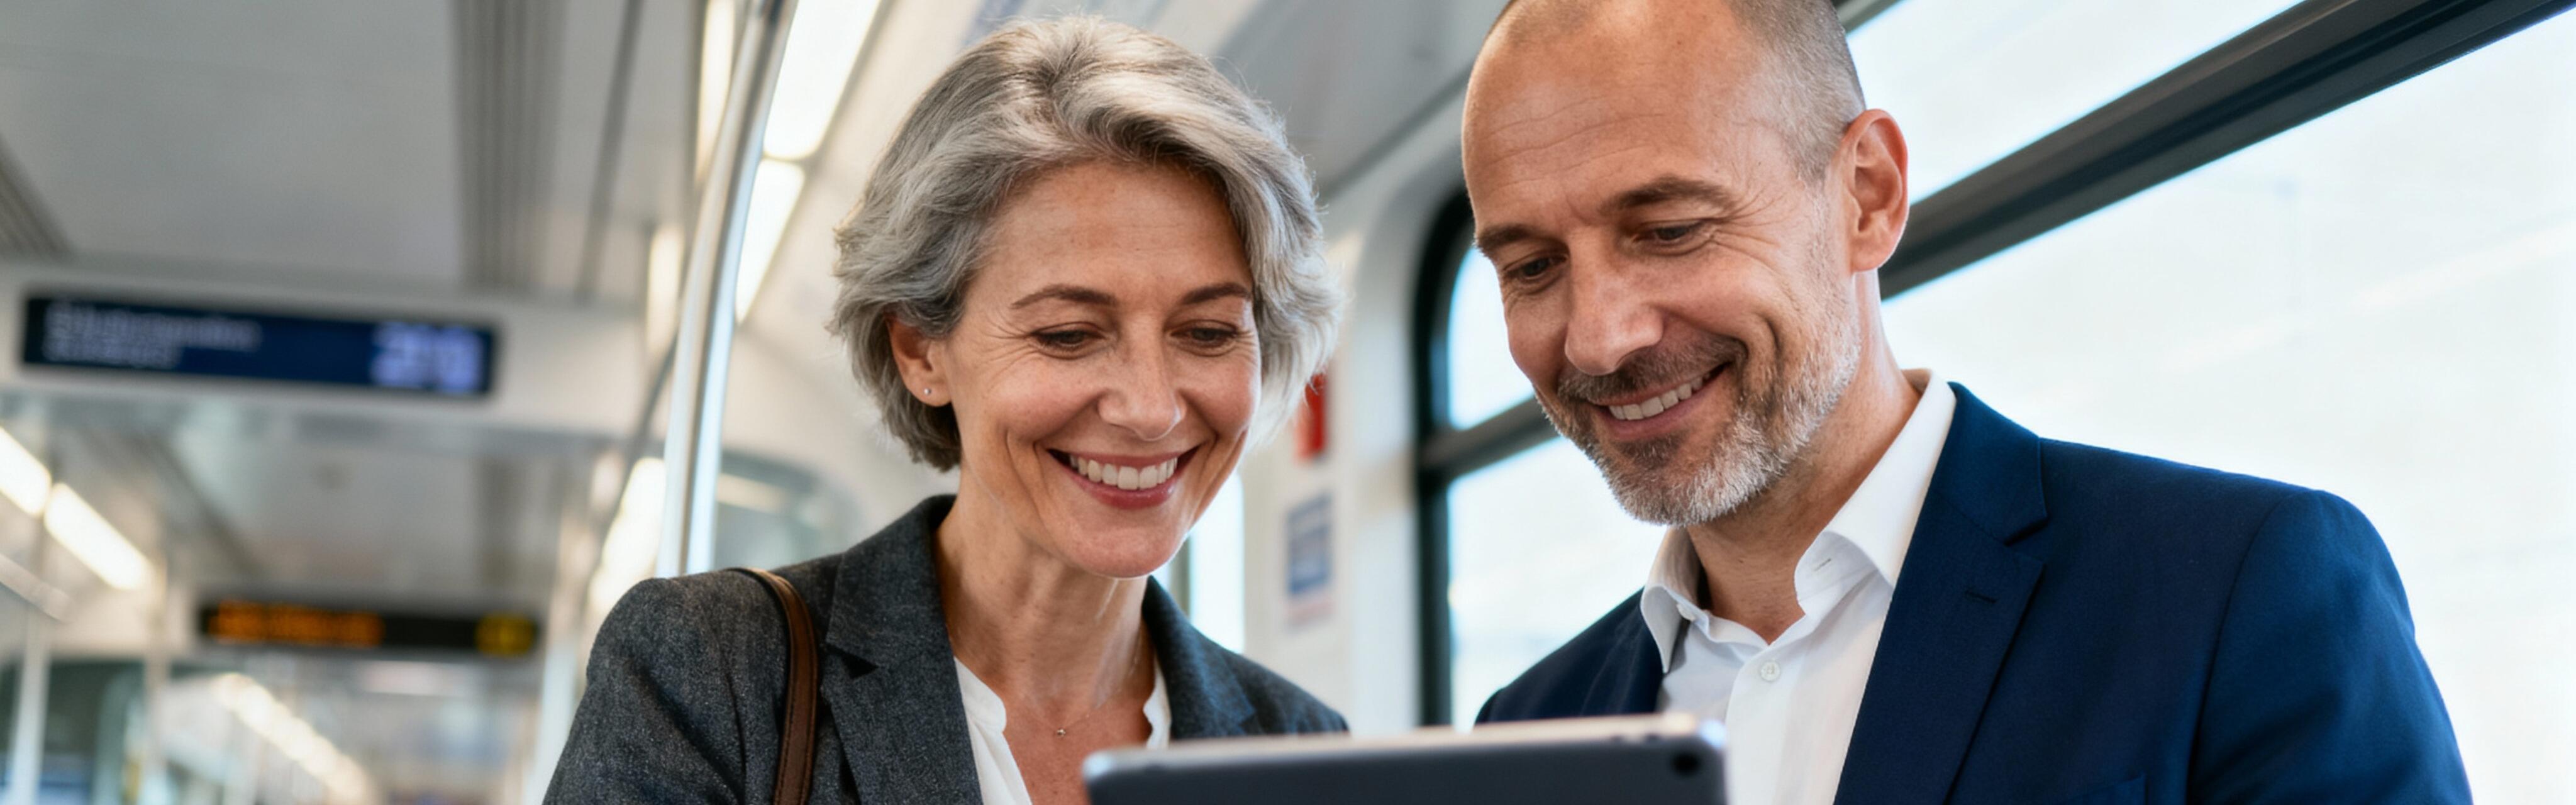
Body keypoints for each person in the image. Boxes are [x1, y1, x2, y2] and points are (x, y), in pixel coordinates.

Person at [1460, 0, 2468, 802]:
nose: (1598, 336)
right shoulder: (1526, 730)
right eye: (1533, 267)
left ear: (1867, 196)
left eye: (1670, 230)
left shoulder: (2239, 593)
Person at [545, 17, 1346, 804]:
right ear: (921, 351)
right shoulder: (717, 673)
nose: (1148, 407)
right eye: (1068, 335)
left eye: (1207, 333)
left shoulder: (1305, 745)